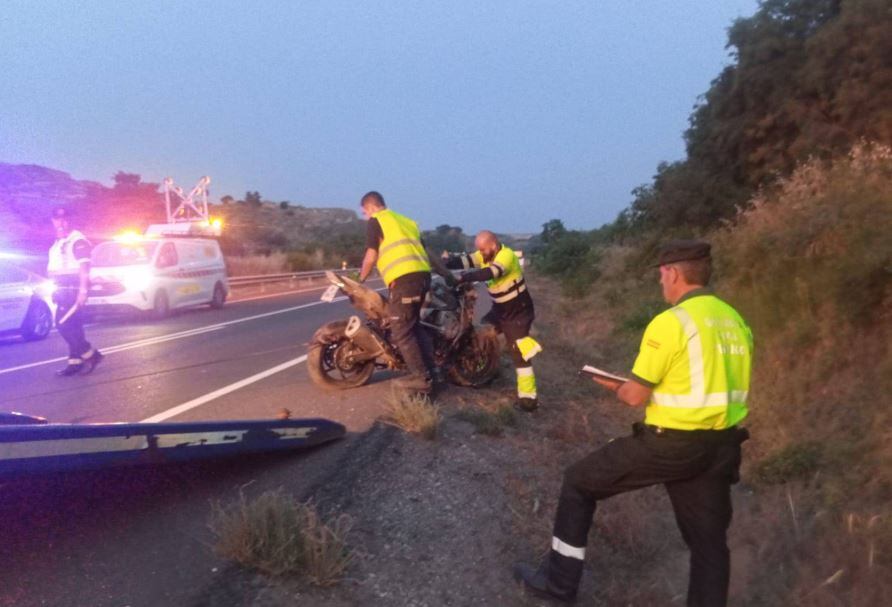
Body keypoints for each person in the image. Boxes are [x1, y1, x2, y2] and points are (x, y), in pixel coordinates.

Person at [513, 240, 752, 606]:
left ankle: (558, 584)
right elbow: (701, 383)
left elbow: (635, 396)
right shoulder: (735, 321)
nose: (661, 284)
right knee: (709, 544)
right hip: (721, 447)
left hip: (669, 444)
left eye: (661, 276)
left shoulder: (672, 322)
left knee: (578, 482)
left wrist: (617, 386)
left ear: (672, 273)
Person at [444, 231, 540, 411]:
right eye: (478, 249)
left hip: (518, 313)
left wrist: (465, 277)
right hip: (500, 310)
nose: (480, 253)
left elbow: (491, 272)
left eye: (483, 249)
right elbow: (465, 260)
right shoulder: (484, 254)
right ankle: (487, 370)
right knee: (481, 334)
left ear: (494, 245)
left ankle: (528, 399)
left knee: (519, 353)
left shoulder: (507, 256)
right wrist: (447, 262)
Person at [357, 191, 438, 392]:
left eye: (365, 212)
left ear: (371, 207)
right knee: (414, 326)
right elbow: (430, 255)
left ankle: (421, 378)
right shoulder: (408, 222)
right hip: (423, 278)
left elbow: (371, 254)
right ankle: (433, 373)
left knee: (400, 329)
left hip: (405, 280)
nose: (366, 216)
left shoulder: (377, 220)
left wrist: (360, 279)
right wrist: (448, 275)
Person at [47, 206, 103, 376]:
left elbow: (84, 267)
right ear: (53, 221)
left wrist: (83, 291)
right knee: (75, 327)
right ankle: (75, 362)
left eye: (65, 219)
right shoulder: (59, 242)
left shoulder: (77, 241)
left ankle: (92, 355)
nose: (61, 222)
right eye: (57, 219)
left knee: (62, 325)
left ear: (71, 221)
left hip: (72, 288)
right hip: (62, 288)